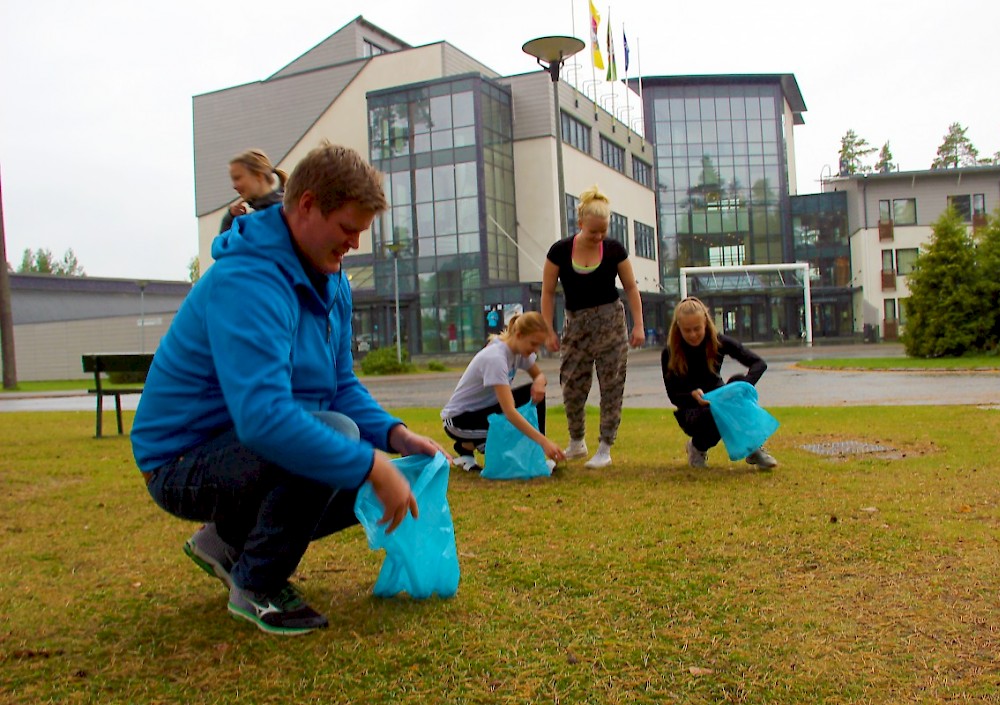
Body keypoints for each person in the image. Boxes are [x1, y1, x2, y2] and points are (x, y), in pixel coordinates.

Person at [131, 144, 449, 636]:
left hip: (240, 448)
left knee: (360, 454)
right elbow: (262, 417)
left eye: (361, 232)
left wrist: (394, 437)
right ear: (305, 206)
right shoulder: (249, 280)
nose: (354, 244)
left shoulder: (330, 277)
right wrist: (368, 462)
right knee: (344, 445)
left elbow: (339, 384)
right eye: (347, 229)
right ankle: (255, 585)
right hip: (179, 463)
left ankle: (225, 542)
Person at [541, 186, 645, 469]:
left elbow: (632, 288)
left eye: (604, 231)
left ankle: (605, 448)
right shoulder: (560, 251)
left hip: (611, 323)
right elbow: (548, 292)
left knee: (611, 385)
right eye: (593, 232)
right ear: (580, 224)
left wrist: (638, 326)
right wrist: (548, 330)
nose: (599, 236)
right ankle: (577, 442)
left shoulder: (614, 250)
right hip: (575, 325)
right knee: (572, 384)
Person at [661, 297, 778, 469]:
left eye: (697, 329)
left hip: (719, 398)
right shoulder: (669, 353)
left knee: (738, 384)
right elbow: (673, 394)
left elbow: (759, 364)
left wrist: (744, 386)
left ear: (706, 323)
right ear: (678, 328)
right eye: (687, 330)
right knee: (713, 414)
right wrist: (692, 395)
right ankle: (697, 448)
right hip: (691, 408)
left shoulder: (718, 341)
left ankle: (753, 449)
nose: (693, 335)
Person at [441, 312, 565, 472]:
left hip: (483, 412)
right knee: (511, 433)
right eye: (533, 344)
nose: (536, 350)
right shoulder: (496, 358)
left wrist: (539, 382)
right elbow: (510, 412)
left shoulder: (518, 350)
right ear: (519, 335)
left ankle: (534, 455)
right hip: (459, 420)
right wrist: (544, 441)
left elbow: (539, 376)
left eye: (539, 346)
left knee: (531, 393)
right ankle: (468, 446)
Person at [219, 148, 288, 234]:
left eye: (237, 178)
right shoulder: (249, 220)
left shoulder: (286, 212)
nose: (234, 186)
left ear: (259, 176)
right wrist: (230, 219)